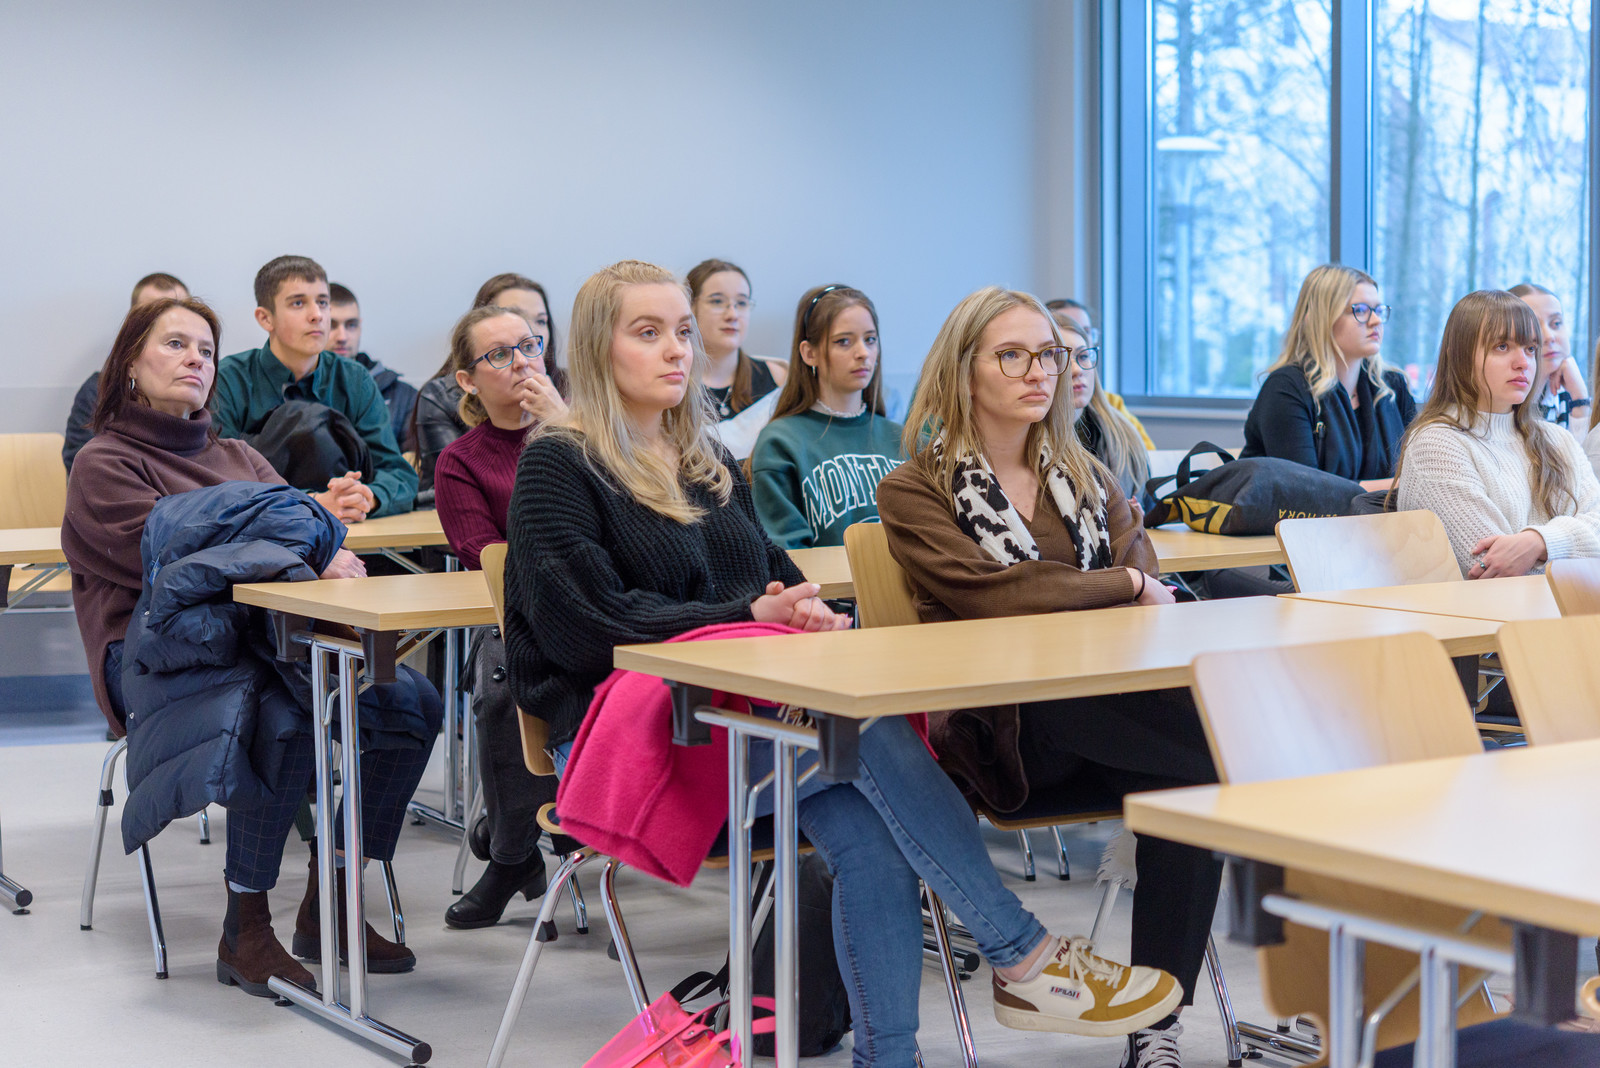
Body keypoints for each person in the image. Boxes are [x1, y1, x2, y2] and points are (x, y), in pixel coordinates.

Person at [503, 260, 1181, 1068]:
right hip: (624, 738)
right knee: (860, 729)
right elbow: (588, 629)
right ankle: (1023, 955)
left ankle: (891, 1057)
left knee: (871, 834)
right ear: (596, 348)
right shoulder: (559, 464)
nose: (678, 349)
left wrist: (803, 608)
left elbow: (775, 575)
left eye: (682, 331)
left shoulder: (703, 460)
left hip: (735, 720)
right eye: (648, 333)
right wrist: (746, 616)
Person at [876, 286, 1226, 1068]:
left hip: (1118, 721)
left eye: (1050, 354)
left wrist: (1122, 587)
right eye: (1014, 355)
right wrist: (1119, 585)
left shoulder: (1086, 475)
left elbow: (1146, 588)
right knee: (1201, 754)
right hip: (1007, 735)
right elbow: (994, 597)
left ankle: (1157, 1026)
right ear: (963, 371)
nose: (1041, 371)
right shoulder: (915, 489)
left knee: (1191, 786)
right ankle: (1269, 775)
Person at [61, 297, 435, 998]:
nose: (196, 359)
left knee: (409, 699)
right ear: (131, 363)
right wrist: (302, 545)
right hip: (153, 656)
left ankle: (332, 899)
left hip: (266, 638)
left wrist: (306, 543)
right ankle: (246, 925)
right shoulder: (103, 463)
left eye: (206, 349)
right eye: (175, 344)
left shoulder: (239, 456)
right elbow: (175, 561)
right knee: (281, 711)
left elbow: (306, 535)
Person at [431, 305, 568, 929]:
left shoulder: (586, 432)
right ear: (467, 380)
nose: (521, 363)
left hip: (605, 605)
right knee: (503, 686)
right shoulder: (462, 461)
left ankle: (536, 837)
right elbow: (486, 558)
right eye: (499, 355)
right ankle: (514, 854)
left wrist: (563, 428)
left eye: (529, 346)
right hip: (519, 616)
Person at [1397, 289, 1600, 578]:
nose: (1523, 363)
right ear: (1460, 355)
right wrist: (1577, 551)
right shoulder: (1436, 444)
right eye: (1502, 346)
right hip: (1484, 608)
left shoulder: (1557, 439)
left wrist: (1539, 542)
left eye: (1530, 349)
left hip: (1563, 605)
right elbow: (1494, 570)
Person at [212, 255, 417, 520]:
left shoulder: (355, 379)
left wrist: (367, 498)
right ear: (266, 319)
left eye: (322, 302)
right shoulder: (228, 379)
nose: (317, 315)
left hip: (354, 529)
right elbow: (221, 478)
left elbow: (399, 474)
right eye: (298, 303)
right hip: (263, 531)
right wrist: (312, 502)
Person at [749, 284, 904, 549]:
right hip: (819, 578)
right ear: (810, 353)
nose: (863, 353)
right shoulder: (780, 442)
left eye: (870, 339)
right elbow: (787, 554)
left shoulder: (903, 439)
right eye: (844, 341)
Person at [1241, 264, 1416, 490]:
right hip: (1289, 514)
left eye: (1378, 310)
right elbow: (1306, 492)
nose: (1375, 321)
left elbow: (1420, 468)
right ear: (1320, 319)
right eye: (1360, 310)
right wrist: (1400, 488)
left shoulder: (1393, 387)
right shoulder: (1285, 389)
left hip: (1380, 513)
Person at [414, 273, 560, 508]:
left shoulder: (575, 397)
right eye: (500, 353)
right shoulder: (458, 449)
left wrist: (561, 423)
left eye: (540, 322)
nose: (521, 361)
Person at [63, 272, 189, 472]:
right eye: (152, 314)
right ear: (132, 321)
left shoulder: (204, 387)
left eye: (179, 312)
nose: (168, 323)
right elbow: (84, 470)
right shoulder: (98, 391)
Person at [1045, 300, 1152, 497]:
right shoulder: (1024, 440)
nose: (1077, 370)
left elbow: (1147, 501)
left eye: (1083, 356)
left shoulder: (1122, 433)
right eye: (1061, 359)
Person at [686, 258, 788, 458]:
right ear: (689, 307)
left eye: (741, 303)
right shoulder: (675, 383)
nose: (732, 314)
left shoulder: (779, 378)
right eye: (717, 301)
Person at [328, 282, 419, 453]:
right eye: (331, 325)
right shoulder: (297, 389)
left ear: (360, 327)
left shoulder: (404, 396)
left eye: (351, 325)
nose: (342, 337)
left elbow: (409, 464)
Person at [1508, 282, 1591, 440]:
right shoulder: (1502, 402)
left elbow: (1583, 456)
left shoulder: (1567, 393)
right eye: (1533, 327)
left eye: (1556, 323)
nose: (1549, 336)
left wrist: (1580, 400)